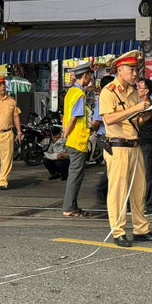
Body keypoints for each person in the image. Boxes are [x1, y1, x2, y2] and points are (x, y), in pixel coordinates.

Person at [100, 49, 152, 247]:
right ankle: (118, 231)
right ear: (120, 69)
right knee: (118, 191)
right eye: (131, 69)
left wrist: (146, 112)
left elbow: (134, 120)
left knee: (138, 190)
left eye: (136, 69)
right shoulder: (108, 91)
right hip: (117, 146)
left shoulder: (134, 92)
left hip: (134, 145)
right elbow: (108, 119)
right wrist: (136, 108)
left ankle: (141, 229)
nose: (135, 74)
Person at [61, 61, 93, 217]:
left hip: (72, 139)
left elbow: (65, 116)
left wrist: (64, 132)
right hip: (77, 140)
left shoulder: (70, 92)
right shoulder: (80, 94)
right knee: (75, 175)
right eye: (90, 76)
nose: (90, 80)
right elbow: (74, 118)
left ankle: (71, 206)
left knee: (74, 173)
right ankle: (69, 207)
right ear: (85, 76)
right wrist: (66, 134)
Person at [137, 78, 152, 214]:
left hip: (146, 144)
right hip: (134, 144)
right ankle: (134, 205)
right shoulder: (134, 105)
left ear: (146, 91)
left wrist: (147, 134)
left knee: (148, 175)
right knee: (133, 176)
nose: (137, 88)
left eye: (140, 87)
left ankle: (151, 206)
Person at [91, 75, 115, 206]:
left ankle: (105, 191)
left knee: (112, 167)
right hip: (106, 138)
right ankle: (102, 189)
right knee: (111, 167)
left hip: (110, 137)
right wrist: (92, 128)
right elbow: (96, 121)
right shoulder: (104, 99)